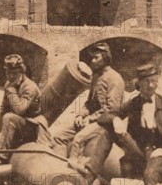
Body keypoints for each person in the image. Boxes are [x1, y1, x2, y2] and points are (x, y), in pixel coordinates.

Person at [98, 63, 162, 185]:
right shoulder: (133, 104)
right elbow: (104, 117)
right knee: (108, 133)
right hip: (139, 151)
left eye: (154, 81)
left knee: (150, 175)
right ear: (139, 84)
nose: (151, 85)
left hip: (160, 152)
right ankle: (90, 171)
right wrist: (115, 120)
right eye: (147, 82)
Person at [51, 43, 125, 178]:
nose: (92, 61)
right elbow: (90, 104)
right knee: (58, 137)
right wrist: (81, 115)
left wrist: (90, 119)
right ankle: (59, 169)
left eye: (96, 58)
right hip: (90, 120)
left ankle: (73, 174)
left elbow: (112, 109)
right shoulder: (96, 78)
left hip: (106, 123)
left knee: (78, 139)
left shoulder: (115, 79)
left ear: (105, 58)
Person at [0, 54, 49, 165]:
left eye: (14, 73)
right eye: (8, 73)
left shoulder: (30, 87)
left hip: (32, 128)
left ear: (22, 72)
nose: (10, 77)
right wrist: (1, 132)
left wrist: (12, 91)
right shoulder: (9, 84)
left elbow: (20, 110)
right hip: (15, 126)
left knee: (9, 117)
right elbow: (3, 109)